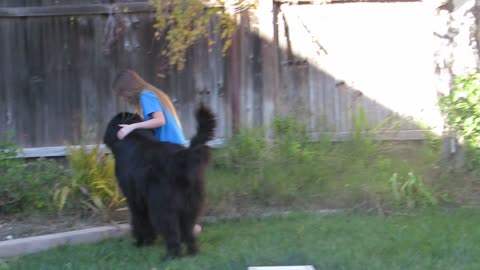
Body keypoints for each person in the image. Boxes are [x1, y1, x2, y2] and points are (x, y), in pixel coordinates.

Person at [112, 69, 202, 235]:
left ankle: (188, 228)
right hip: (175, 149)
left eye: (122, 94)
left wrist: (132, 126)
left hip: (171, 151)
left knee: (168, 194)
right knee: (174, 193)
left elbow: (159, 121)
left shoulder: (146, 96)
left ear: (128, 88)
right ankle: (188, 228)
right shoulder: (152, 95)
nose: (122, 98)